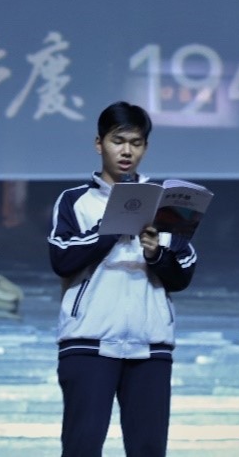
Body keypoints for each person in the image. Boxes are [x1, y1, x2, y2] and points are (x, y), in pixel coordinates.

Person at [47, 101, 199, 457]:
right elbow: (61, 258)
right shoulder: (75, 201)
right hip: (88, 341)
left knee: (148, 449)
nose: (127, 151)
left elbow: (183, 273)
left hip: (151, 344)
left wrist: (156, 253)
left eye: (136, 142)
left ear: (145, 147)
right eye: (118, 141)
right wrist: (113, 225)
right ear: (99, 143)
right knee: (82, 447)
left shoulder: (167, 205)